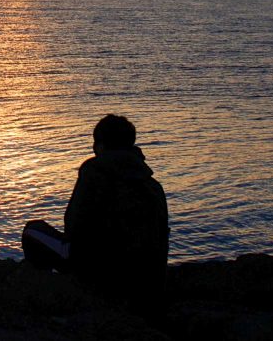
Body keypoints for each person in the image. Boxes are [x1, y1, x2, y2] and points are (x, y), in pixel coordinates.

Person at [22, 114, 169, 310]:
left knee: (32, 231)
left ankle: (47, 292)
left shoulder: (95, 172)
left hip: (100, 274)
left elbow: (73, 226)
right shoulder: (152, 185)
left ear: (100, 146)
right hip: (148, 278)